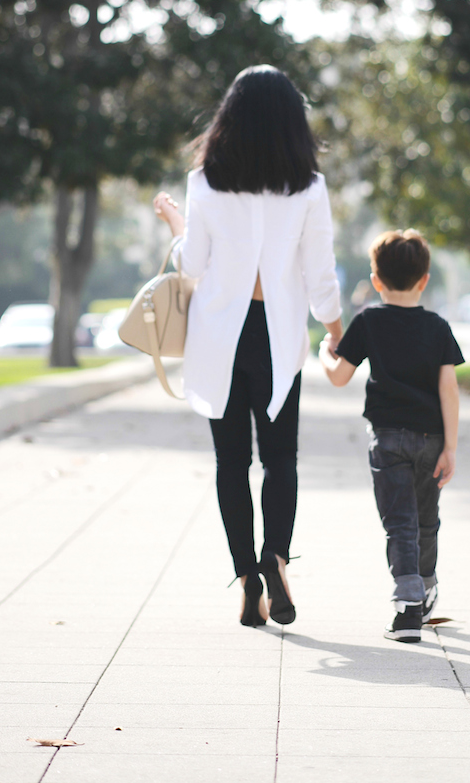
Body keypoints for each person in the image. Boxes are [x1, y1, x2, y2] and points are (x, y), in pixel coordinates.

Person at [153, 66, 342, 628]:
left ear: (228, 117)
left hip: (221, 337)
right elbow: (319, 272)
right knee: (281, 456)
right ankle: (276, 558)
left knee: (231, 462)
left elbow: (193, 266)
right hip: (278, 337)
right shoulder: (309, 186)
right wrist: (334, 332)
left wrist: (176, 223)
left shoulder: (206, 180)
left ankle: (247, 581)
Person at [319, 230, 463, 643]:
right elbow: (448, 390)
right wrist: (451, 447)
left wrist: (325, 355)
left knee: (399, 522)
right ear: (424, 279)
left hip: (387, 440)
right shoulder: (438, 327)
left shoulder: (368, 321)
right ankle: (426, 584)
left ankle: (407, 608)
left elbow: (340, 377)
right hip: (432, 439)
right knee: (426, 520)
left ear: (376, 280)